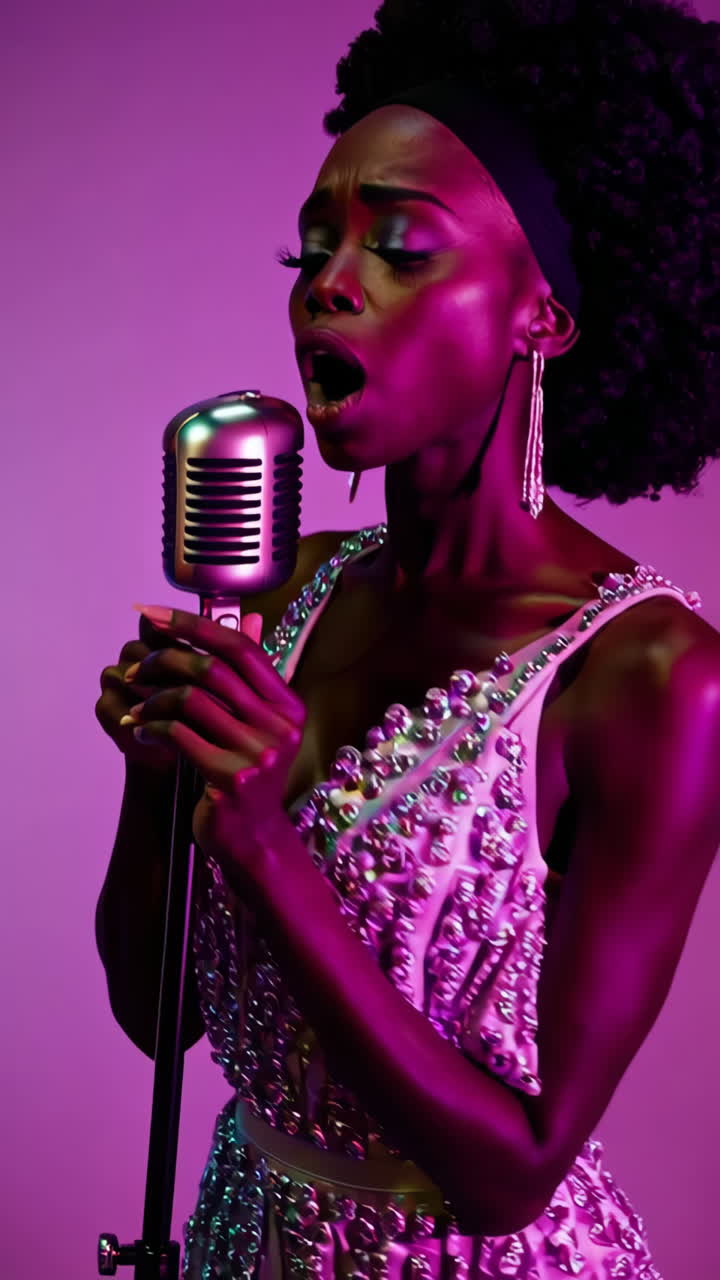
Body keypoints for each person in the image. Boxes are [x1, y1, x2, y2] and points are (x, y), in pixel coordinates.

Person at [95, 1, 720, 1276]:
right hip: (239, 1238)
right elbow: (157, 1020)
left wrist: (268, 844)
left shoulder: (655, 677)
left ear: (542, 316)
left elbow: (512, 1170)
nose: (330, 280)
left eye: (400, 246)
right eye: (314, 246)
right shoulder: (286, 591)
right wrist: (156, 775)